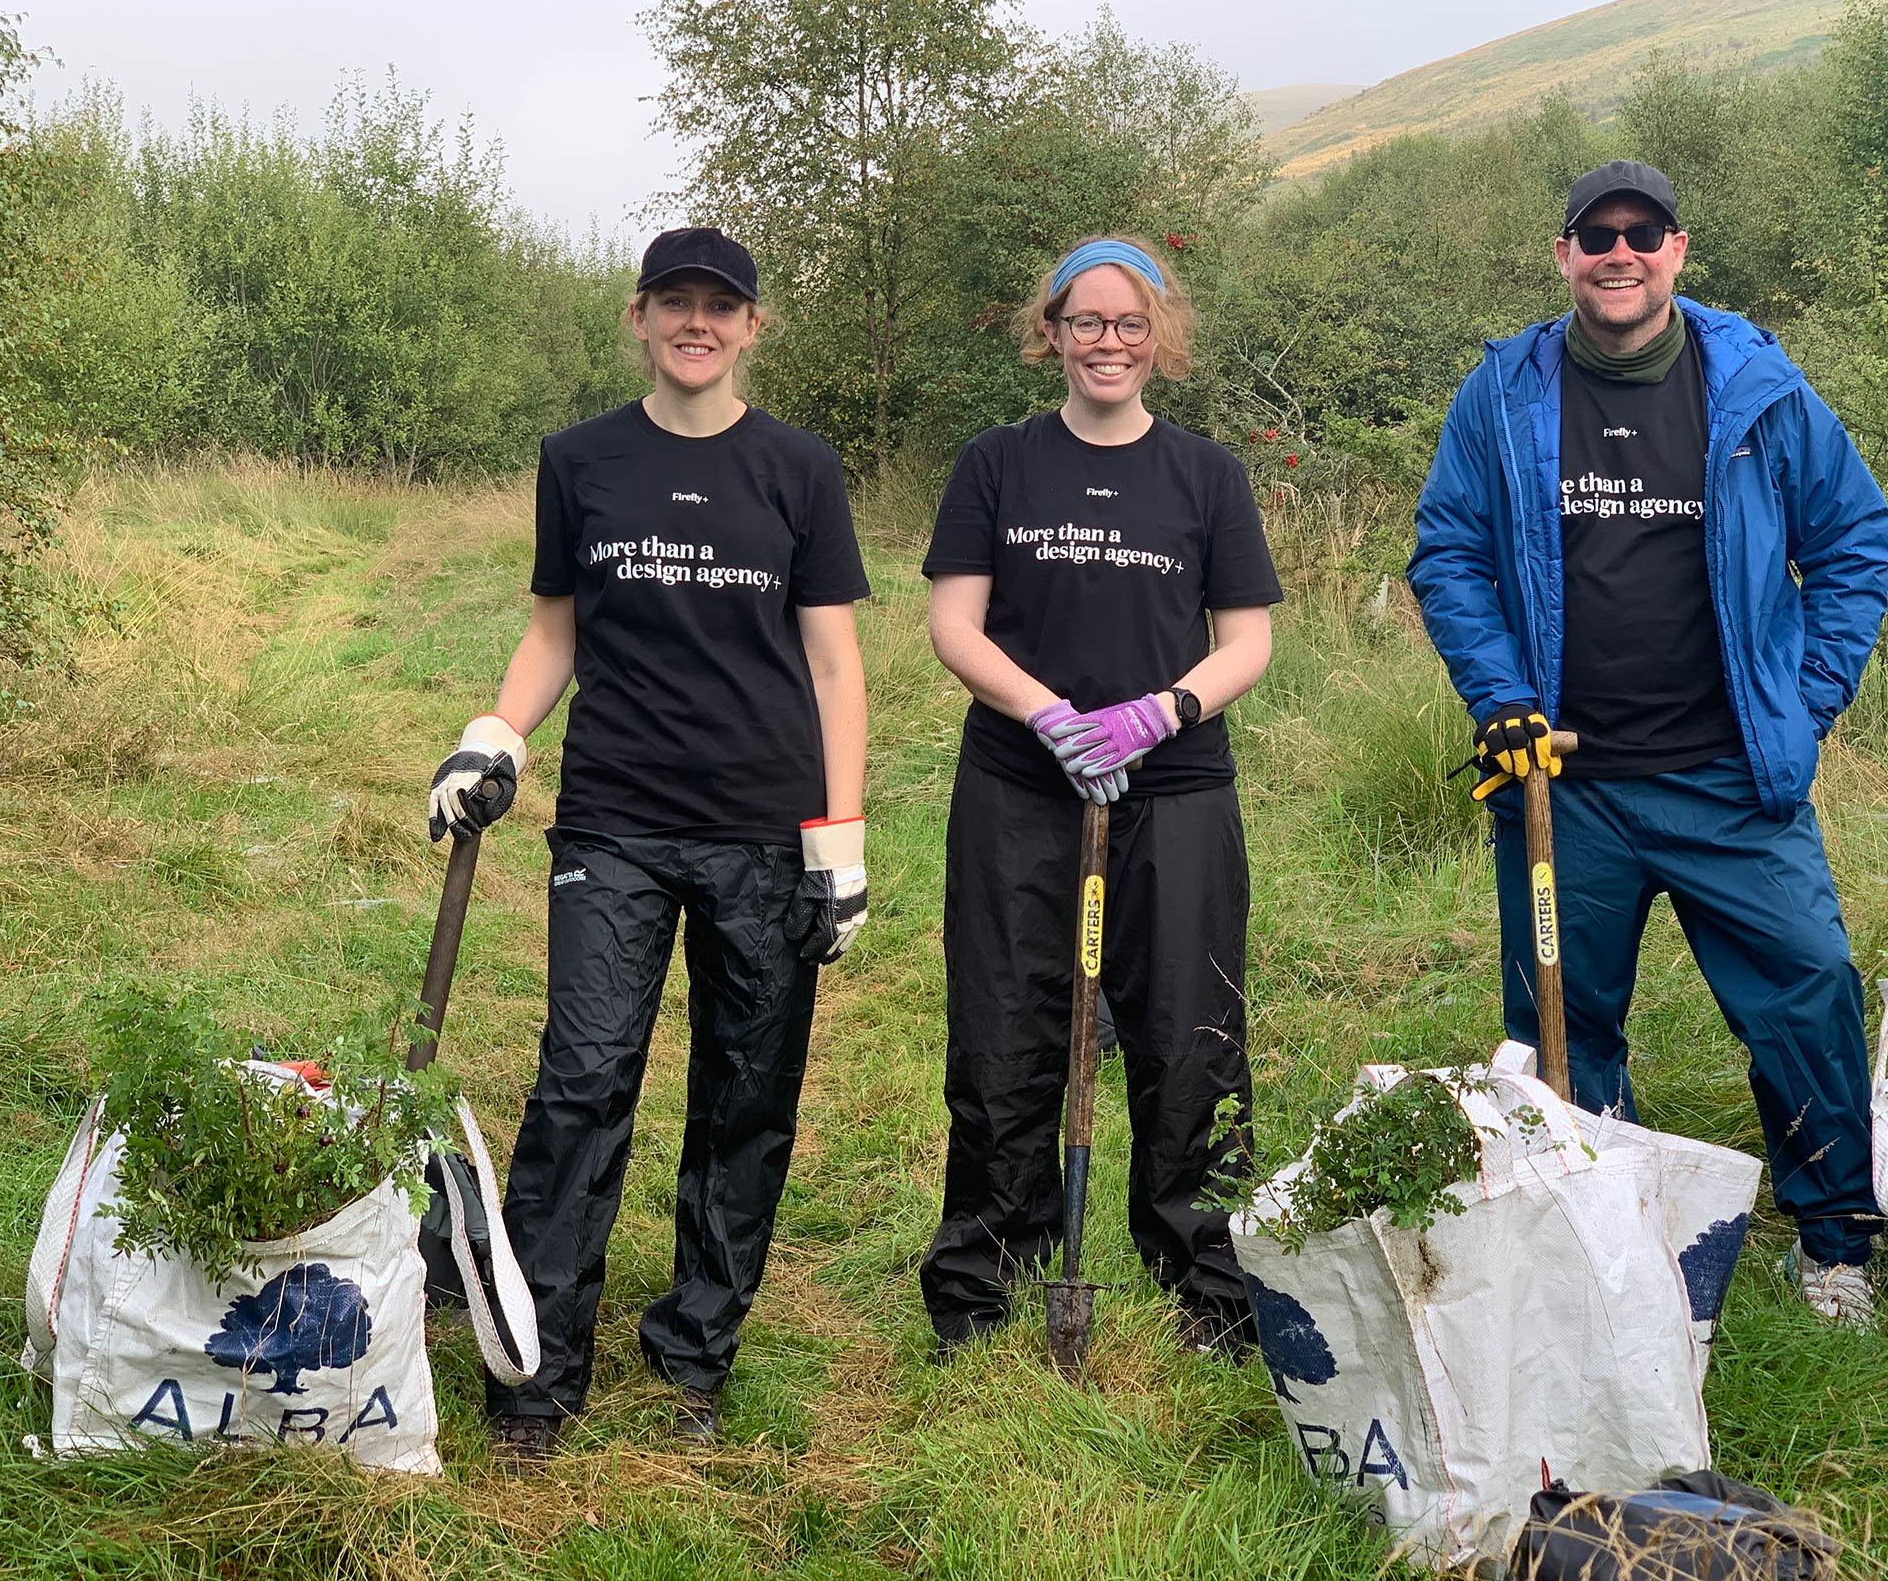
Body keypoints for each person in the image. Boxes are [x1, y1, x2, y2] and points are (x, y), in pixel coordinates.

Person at [1406, 162, 1888, 1326]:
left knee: (1807, 990)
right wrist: (1498, 696)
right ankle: (1587, 1237)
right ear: (1564, 255)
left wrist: (1803, 698)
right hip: (1562, 785)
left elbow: (1857, 541)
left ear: (1678, 250)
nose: (1618, 254)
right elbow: (1449, 553)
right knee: (1562, 1018)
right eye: (1595, 235)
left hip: (1732, 777)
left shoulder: (1760, 391)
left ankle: (1834, 1249)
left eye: (1641, 234)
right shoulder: (1505, 393)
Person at [426, 226, 871, 1461]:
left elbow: (837, 667)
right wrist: (494, 735)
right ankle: (534, 1364)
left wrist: (842, 842)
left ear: (752, 327)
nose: (697, 323)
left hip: (764, 832)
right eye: (674, 303)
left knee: (746, 1097)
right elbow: (553, 633)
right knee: (581, 1081)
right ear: (637, 317)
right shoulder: (581, 461)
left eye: (720, 307)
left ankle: (694, 1354)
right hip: (614, 820)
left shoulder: (800, 470)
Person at [919, 235, 1281, 1355]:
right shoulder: (997, 463)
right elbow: (952, 623)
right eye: (1086, 322)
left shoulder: (1207, 475)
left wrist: (1160, 710)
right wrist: (1046, 714)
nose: (1107, 342)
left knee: (1190, 1034)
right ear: (1054, 334)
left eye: (1129, 324)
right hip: (1020, 791)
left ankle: (1205, 1285)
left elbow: (1248, 641)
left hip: (1175, 790)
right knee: (1003, 1028)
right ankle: (986, 1275)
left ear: (1159, 338)